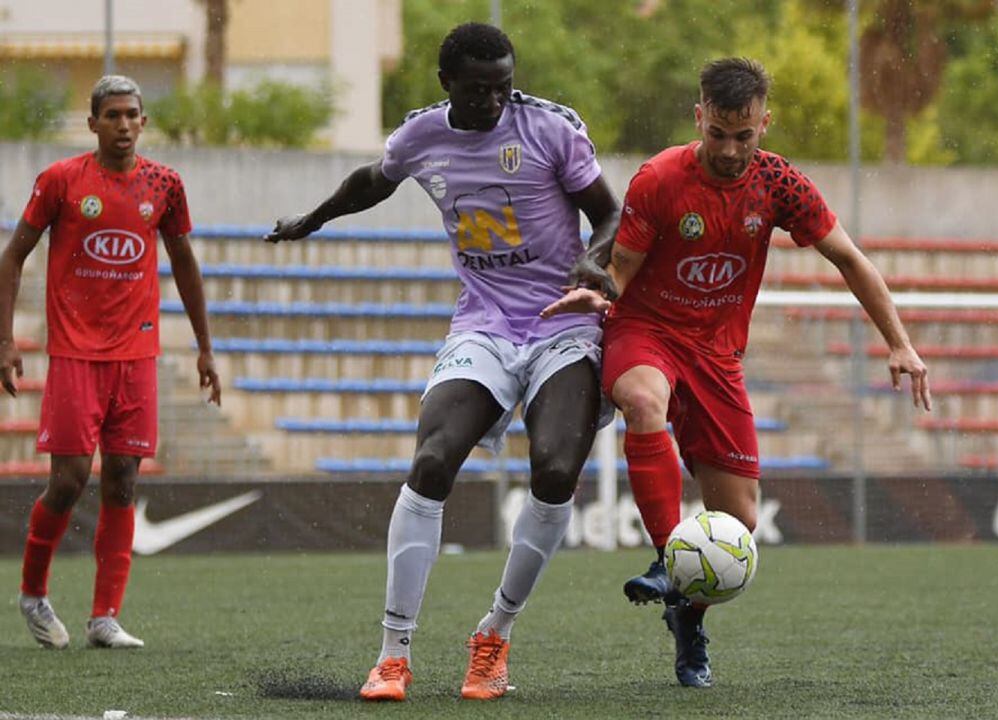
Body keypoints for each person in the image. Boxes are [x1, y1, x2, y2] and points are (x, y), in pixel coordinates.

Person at [544, 57, 932, 688]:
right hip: (647, 332)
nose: (729, 149)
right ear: (700, 116)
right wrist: (599, 294)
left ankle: (687, 620)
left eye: (743, 136)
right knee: (643, 404)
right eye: (717, 133)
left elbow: (851, 260)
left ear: (764, 124)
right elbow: (622, 272)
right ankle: (671, 561)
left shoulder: (780, 185)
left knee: (739, 527)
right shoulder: (660, 180)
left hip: (718, 355)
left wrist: (900, 344)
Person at [265, 22, 620, 701]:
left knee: (554, 468)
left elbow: (610, 214)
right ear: (445, 84)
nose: (494, 101)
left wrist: (591, 259)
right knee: (430, 462)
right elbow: (372, 180)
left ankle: (495, 635)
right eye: (479, 89)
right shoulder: (422, 135)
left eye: (503, 86)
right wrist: (310, 221)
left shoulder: (549, 130)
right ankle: (393, 653)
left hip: (562, 325)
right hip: (483, 324)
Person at [0, 75, 221, 650]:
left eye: (133, 115)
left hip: (137, 355)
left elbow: (186, 264)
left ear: (144, 123)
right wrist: (5, 342)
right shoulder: (62, 182)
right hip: (75, 354)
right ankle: (32, 592)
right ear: (93, 122)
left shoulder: (164, 185)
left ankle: (105, 617)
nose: (124, 125)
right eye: (113, 115)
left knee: (122, 482)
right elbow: (12, 258)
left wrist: (204, 345)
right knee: (69, 481)